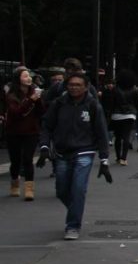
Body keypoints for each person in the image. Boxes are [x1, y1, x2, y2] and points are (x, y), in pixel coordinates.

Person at [38, 72, 112, 240]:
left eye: (78, 85)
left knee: (78, 189)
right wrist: (44, 147)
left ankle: (73, 225)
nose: (74, 87)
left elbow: (101, 133)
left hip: (84, 151)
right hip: (61, 152)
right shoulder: (58, 104)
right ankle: (75, 209)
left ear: (85, 87)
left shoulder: (93, 106)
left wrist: (104, 160)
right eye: (71, 84)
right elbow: (47, 126)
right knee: (62, 190)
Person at [5, 67, 44, 200]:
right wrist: (31, 100)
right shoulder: (11, 95)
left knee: (28, 159)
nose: (29, 78)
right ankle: (15, 183)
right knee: (15, 160)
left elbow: (40, 112)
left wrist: (38, 100)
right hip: (14, 132)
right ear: (18, 79)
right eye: (25, 76)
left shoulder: (34, 92)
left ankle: (29, 189)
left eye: (29, 76)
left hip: (31, 131)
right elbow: (16, 113)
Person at [109, 73, 138, 166]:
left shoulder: (115, 90)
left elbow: (112, 102)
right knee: (126, 136)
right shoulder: (134, 90)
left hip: (117, 114)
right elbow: (137, 102)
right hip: (129, 114)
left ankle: (118, 157)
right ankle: (123, 158)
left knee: (118, 137)